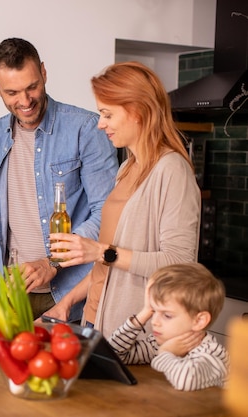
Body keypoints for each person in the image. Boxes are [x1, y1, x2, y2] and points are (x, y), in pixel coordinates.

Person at [0, 38, 118, 320]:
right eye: (12, 92)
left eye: (32, 87)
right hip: (12, 295)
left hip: (73, 295)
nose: (24, 101)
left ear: (44, 73)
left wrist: (52, 263)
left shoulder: (86, 129)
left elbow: (108, 213)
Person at [45, 61, 201, 338]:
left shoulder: (171, 170)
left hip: (133, 331)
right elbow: (107, 258)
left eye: (107, 114)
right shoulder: (126, 168)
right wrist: (68, 302)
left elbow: (179, 262)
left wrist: (101, 252)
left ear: (137, 111)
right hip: (95, 319)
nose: (101, 124)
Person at [108, 263, 228, 391]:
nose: (154, 322)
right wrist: (144, 313)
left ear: (199, 321)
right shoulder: (158, 343)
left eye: (167, 315)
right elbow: (114, 355)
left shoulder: (211, 352)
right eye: (154, 311)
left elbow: (186, 381)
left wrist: (165, 353)